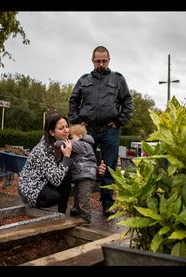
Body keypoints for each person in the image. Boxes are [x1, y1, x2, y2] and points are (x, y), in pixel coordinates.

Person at [68, 46, 133, 217]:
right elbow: (73, 101)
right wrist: (77, 123)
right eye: (98, 61)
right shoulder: (84, 80)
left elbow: (128, 102)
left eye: (104, 61)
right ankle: (79, 204)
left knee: (109, 167)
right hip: (86, 131)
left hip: (109, 130)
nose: (101, 64)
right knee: (81, 166)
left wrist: (119, 122)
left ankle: (107, 204)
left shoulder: (118, 80)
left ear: (109, 60)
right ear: (92, 61)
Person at [67, 124, 97, 224]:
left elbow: (69, 144)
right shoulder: (84, 144)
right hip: (82, 175)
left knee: (83, 197)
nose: (69, 139)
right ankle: (77, 209)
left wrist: (56, 141)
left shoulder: (82, 144)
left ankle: (86, 218)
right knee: (77, 193)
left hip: (86, 175)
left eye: (71, 137)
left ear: (79, 136)